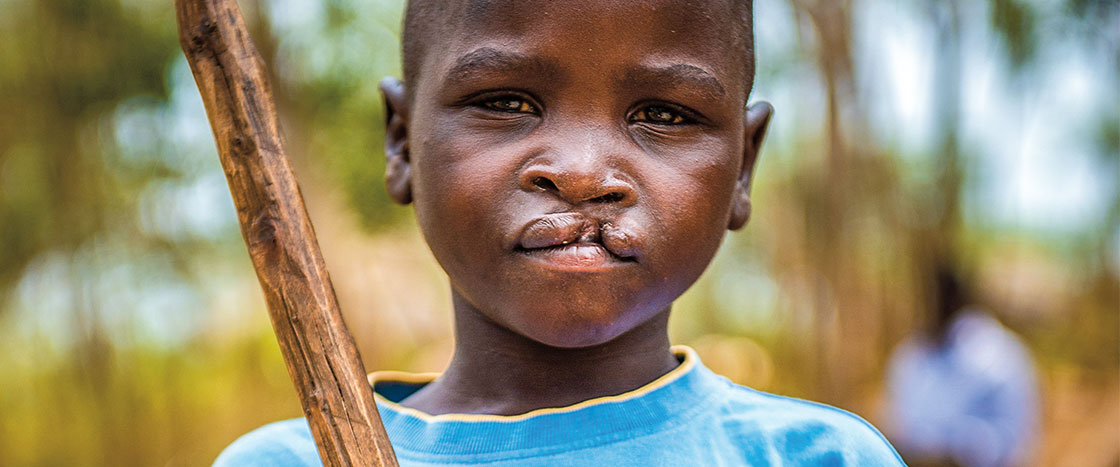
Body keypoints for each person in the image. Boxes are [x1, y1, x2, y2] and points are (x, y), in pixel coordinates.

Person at [215, 0, 904, 465]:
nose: (580, 173)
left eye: (664, 114)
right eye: (506, 102)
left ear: (743, 167)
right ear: (401, 144)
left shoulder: (819, 457)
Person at [885, 266, 1039, 467]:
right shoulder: (911, 355)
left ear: (953, 298)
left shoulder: (1000, 355)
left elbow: (1016, 440)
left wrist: (952, 451)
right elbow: (898, 422)